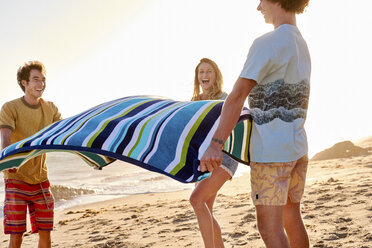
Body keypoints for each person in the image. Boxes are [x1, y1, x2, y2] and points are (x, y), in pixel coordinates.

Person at [200, 1, 311, 248]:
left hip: (271, 153)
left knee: (270, 229)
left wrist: (216, 144)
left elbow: (237, 97)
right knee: (292, 219)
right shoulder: (300, 43)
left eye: (261, 0)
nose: (258, 6)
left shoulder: (266, 43)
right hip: (298, 148)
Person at [0, 61, 62, 248]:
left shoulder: (50, 108)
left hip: (41, 179)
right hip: (16, 177)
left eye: (43, 80)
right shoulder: (10, 108)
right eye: (36, 79)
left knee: (45, 232)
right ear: (24, 82)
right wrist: (8, 160)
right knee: (17, 235)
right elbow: (5, 138)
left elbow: (64, 133)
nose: (41, 84)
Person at [189, 58, 239, 248]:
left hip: (224, 157)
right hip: (202, 160)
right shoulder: (193, 101)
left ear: (216, 75)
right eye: (201, 72)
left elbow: (234, 127)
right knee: (205, 209)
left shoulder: (224, 99)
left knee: (196, 199)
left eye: (208, 71)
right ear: (197, 77)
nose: (204, 75)